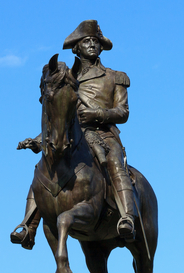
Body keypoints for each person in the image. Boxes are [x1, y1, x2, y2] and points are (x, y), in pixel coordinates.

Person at [11, 20, 136, 249]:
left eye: (95, 41)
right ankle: (28, 226)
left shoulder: (115, 77)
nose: (91, 45)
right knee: (45, 166)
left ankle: (128, 217)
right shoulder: (65, 76)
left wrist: (97, 114)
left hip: (104, 134)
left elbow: (123, 112)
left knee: (115, 162)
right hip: (71, 133)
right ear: (76, 48)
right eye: (86, 41)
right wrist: (40, 138)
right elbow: (59, 114)